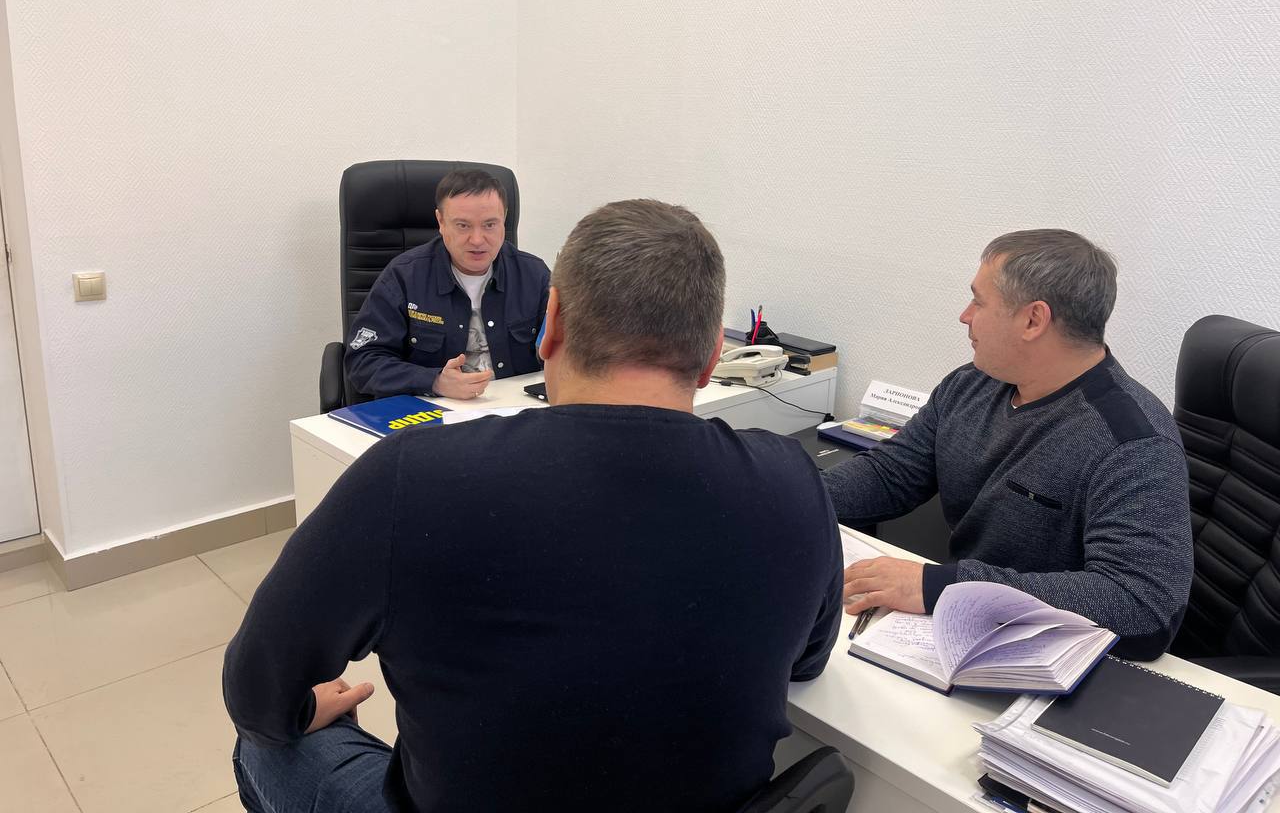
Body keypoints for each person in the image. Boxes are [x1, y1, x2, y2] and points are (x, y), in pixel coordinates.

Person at [224, 199, 843, 813]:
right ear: (711, 356)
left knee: (262, 747)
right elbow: (807, 662)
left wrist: (301, 711)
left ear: (551, 326)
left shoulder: (411, 477)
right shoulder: (794, 481)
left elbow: (256, 692)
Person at [829, 229, 1192, 661]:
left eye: (979, 302)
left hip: (1048, 661)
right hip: (958, 628)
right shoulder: (973, 384)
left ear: (1033, 320)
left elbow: (1142, 606)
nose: (965, 316)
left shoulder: (1132, 443)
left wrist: (942, 588)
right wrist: (791, 495)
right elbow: (891, 475)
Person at [343, 168, 550, 401]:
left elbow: (568, 353)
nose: (477, 240)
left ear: (504, 219)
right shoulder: (403, 277)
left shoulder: (534, 275)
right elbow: (363, 361)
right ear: (441, 221)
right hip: (433, 411)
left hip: (514, 410)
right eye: (463, 225)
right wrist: (434, 381)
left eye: (490, 224)